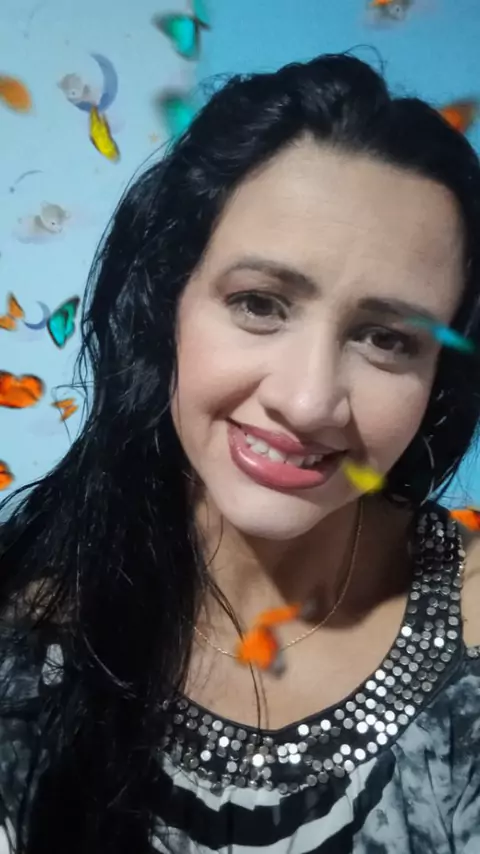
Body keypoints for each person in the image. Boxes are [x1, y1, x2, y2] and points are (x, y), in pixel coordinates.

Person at [1, 51, 480, 854]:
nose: (308, 401)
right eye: (259, 303)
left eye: (387, 338)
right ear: (168, 303)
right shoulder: (31, 632)